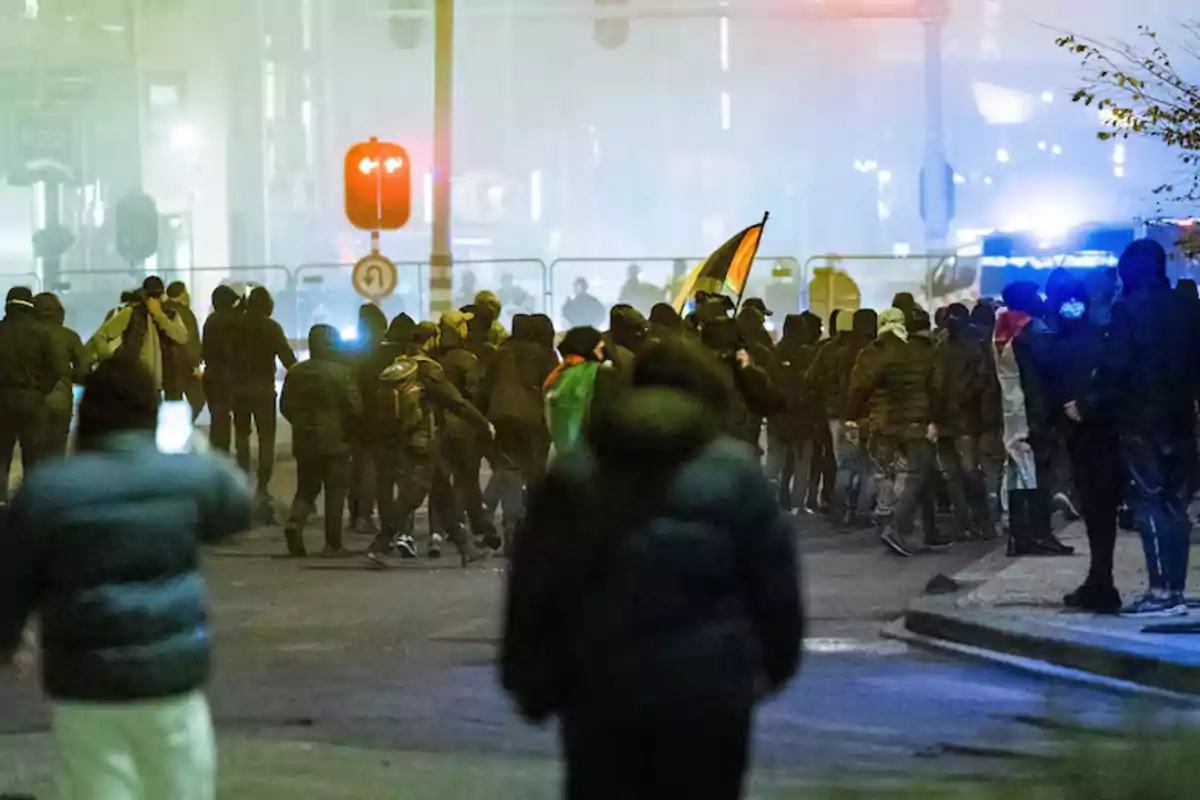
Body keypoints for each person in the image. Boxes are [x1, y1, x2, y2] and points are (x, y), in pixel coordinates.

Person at [501, 335, 803, 800]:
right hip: (708, 694)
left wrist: (532, 683)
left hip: (601, 688)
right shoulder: (736, 474)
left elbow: (537, 584)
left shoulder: (577, 473)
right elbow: (775, 588)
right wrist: (770, 668)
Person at [0, 359, 252, 799]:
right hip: (170, 680)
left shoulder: (46, 489)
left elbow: (12, 579)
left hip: (87, 683)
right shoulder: (184, 476)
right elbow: (237, 508)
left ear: (87, 415)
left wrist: (7, 639)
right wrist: (194, 446)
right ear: (149, 413)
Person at [1090, 240, 1200, 617]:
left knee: (1148, 501)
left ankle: (1160, 591)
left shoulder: (1128, 310)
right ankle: (1177, 591)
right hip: (1181, 419)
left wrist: (1090, 400)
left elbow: (1117, 366)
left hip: (1141, 419)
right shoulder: (1189, 307)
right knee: (1176, 505)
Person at [367, 320, 493, 567]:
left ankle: (466, 547)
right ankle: (379, 546)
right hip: (424, 439)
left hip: (406, 437)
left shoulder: (399, 364)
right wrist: (483, 422)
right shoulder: (427, 369)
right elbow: (455, 401)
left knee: (442, 492)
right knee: (411, 497)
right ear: (431, 340)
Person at [1042, 273, 1122, 614]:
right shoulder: (1103, 335)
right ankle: (1101, 579)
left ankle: (1102, 581)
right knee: (1102, 512)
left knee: (1099, 511)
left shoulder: (1058, 343)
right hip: (1107, 432)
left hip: (1089, 435)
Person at [848, 308, 944, 556]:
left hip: (893, 422)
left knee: (913, 474)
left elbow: (868, 384)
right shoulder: (928, 352)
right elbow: (936, 389)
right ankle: (895, 527)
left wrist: (855, 415)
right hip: (916, 421)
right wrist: (934, 420)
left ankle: (929, 532)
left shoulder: (890, 352)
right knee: (917, 473)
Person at [993, 282, 1073, 558]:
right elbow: (1051, 369)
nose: (1040, 299)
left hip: (1011, 412)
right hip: (1034, 411)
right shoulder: (1032, 330)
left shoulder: (1002, 329)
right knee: (1038, 475)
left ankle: (1019, 536)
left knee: (1017, 474)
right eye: (1035, 295)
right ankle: (1040, 534)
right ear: (1026, 299)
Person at [280, 324, 363, 558]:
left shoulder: (295, 372)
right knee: (335, 491)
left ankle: (294, 524)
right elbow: (354, 407)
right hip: (335, 440)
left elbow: (285, 406)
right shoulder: (341, 372)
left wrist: (300, 424)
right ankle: (333, 544)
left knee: (306, 488)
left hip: (304, 438)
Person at [477, 315, 559, 550]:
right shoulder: (546, 355)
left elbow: (484, 387)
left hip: (501, 419)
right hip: (533, 421)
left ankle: (502, 524)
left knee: (508, 471)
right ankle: (529, 529)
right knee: (533, 475)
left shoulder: (500, 353)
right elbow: (553, 388)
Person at [429, 309, 499, 552]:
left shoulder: (433, 358)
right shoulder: (466, 359)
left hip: (436, 425)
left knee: (438, 481)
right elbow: (474, 395)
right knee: (467, 480)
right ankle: (480, 529)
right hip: (462, 428)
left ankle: (437, 535)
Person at [931, 303, 999, 541]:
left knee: (956, 474)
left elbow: (935, 383)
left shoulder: (940, 347)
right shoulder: (973, 346)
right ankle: (979, 522)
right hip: (961, 418)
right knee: (967, 472)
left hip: (948, 418)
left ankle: (970, 522)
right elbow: (981, 382)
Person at [231, 286, 296, 519]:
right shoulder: (271, 327)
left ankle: (242, 483)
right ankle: (262, 487)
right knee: (266, 439)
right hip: (263, 389)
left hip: (238, 389)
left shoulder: (235, 325)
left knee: (241, 437)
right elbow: (287, 358)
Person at [0, 287, 68, 491]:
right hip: (32, 400)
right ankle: (30, 502)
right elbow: (57, 368)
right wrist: (41, 389)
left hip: (1, 401)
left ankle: (1, 500)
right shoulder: (42, 333)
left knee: (1, 456)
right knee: (33, 458)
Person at [87, 276, 189, 394]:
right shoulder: (132, 312)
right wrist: (110, 359)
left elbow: (182, 337)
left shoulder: (170, 314)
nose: (155, 300)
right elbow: (101, 335)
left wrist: (159, 315)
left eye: (157, 296)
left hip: (166, 381)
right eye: (152, 296)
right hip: (136, 380)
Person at [769, 312, 822, 511]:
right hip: (803, 418)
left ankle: (775, 500)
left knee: (776, 461)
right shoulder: (808, 355)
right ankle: (797, 504)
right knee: (802, 463)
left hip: (778, 417)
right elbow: (815, 385)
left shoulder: (774, 353)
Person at [345, 304, 390, 535]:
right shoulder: (382, 353)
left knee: (356, 467)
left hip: (354, 417)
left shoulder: (351, 351)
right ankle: (364, 515)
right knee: (371, 468)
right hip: (373, 417)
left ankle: (355, 515)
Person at [33, 292, 92, 460]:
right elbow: (83, 370)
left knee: (32, 455)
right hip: (61, 400)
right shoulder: (69, 336)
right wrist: (67, 375)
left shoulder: (28, 335)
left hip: (31, 401)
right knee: (56, 453)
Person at [544, 326, 614, 458]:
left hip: (562, 453)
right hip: (593, 452)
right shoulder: (600, 374)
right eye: (600, 345)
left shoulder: (558, 374)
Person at [201, 285, 242, 454]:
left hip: (211, 376)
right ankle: (225, 454)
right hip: (229, 375)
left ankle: (217, 452)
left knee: (217, 418)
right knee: (227, 418)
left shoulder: (210, 321)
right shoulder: (234, 320)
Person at [164, 281, 206, 421]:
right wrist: (194, 364)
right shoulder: (183, 313)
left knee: (173, 402)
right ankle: (184, 425)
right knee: (198, 399)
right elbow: (189, 340)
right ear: (181, 294)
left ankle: (174, 433)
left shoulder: (163, 311)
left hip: (168, 365)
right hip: (184, 365)